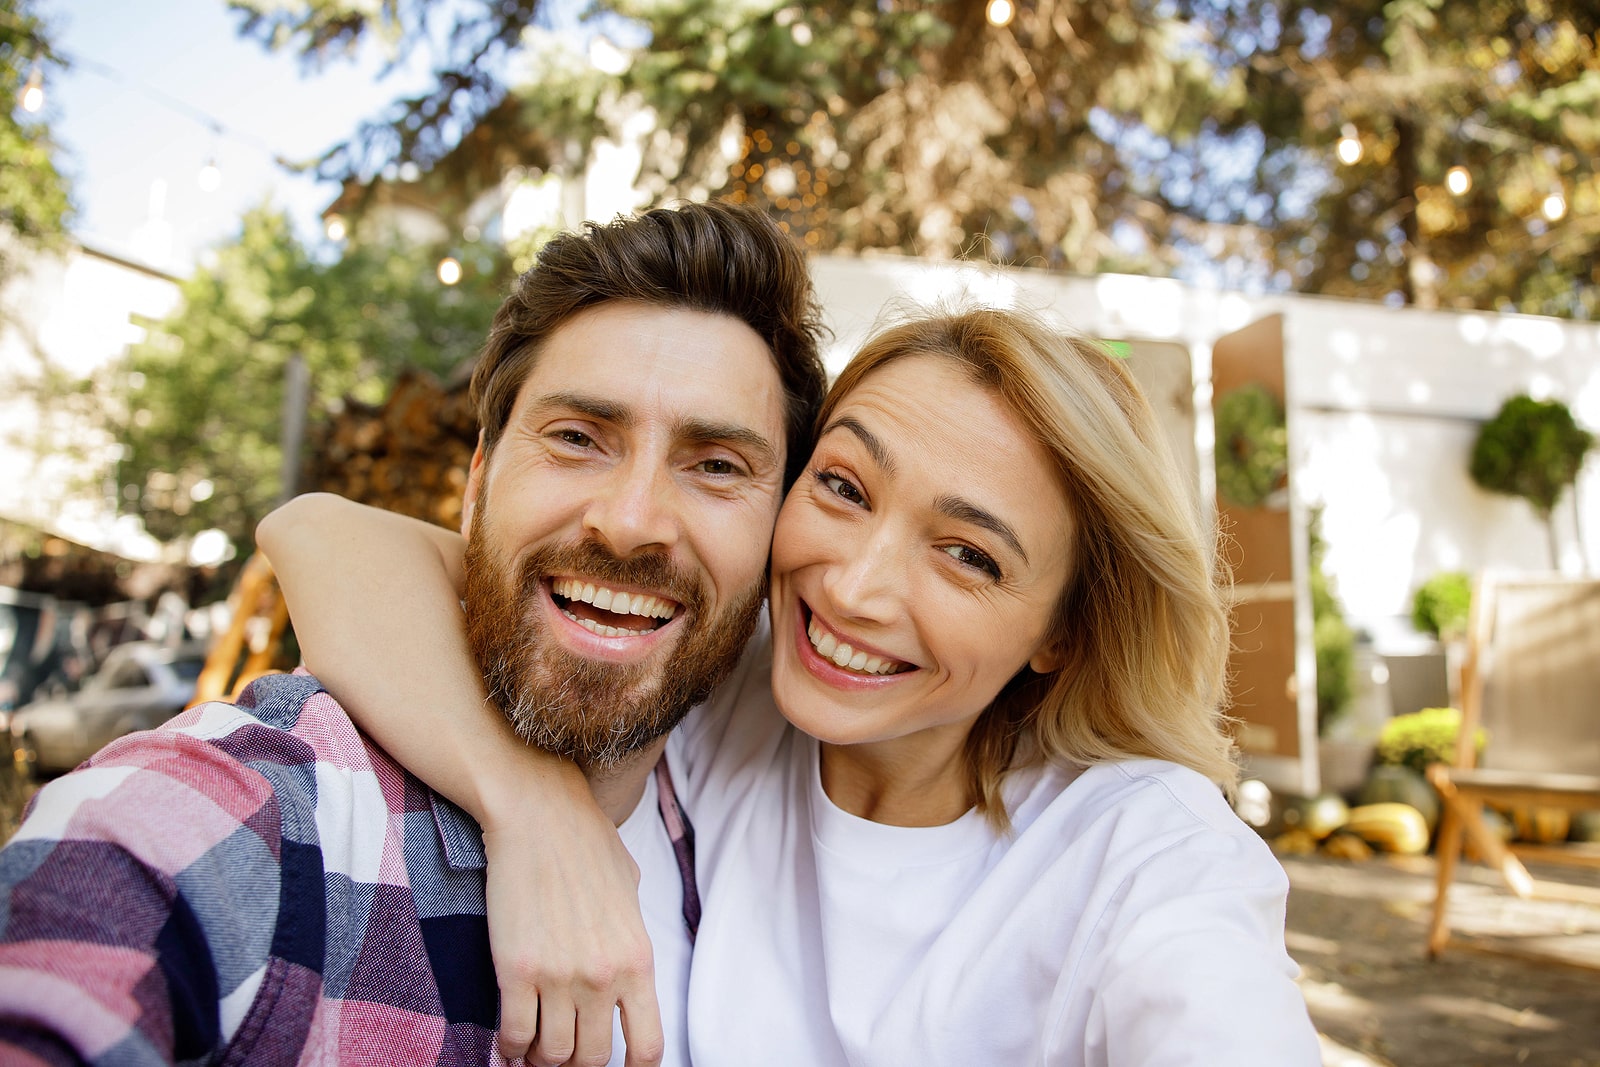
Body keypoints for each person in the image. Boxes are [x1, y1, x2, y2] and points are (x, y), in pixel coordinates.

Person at [263, 307, 1322, 1064]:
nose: (854, 588)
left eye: (969, 556)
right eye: (845, 487)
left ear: (1063, 631)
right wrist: (533, 807)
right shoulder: (741, 682)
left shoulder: (1144, 850)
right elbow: (318, 534)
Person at [0, 200, 828, 1067]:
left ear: (777, 535)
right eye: (579, 437)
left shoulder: (733, 800)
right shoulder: (277, 813)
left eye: (717, 466)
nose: (630, 522)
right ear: (477, 486)